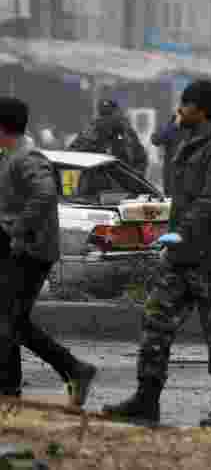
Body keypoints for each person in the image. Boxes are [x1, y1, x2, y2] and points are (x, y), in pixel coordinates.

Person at [103, 80, 211, 428]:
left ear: (202, 109)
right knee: (155, 321)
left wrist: (182, 231)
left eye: (186, 103)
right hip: (182, 255)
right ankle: (146, 399)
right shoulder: (188, 141)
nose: (179, 109)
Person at [0, 97, 97, 404]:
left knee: (9, 320)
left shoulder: (26, 157)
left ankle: (72, 369)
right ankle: (11, 390)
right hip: (17, 251)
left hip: (30, 253)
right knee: (11, 320)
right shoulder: (10, 155)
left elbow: (44, 194)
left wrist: (18, 229)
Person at [69, 99, 148, 175]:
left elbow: (140, 157)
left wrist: (135, 175)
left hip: (121, 181)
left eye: (109, 115)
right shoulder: (93, 130)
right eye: (104, 116)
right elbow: (73, 153)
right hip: (96, 180)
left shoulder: (125, 132)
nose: (107, 120)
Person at [151, 114, 184, 193]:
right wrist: (172, 126)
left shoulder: (195, 127)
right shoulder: (171, 126)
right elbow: (156, 140)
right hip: (171, 174)